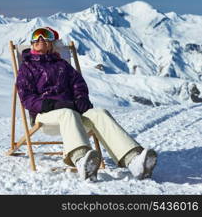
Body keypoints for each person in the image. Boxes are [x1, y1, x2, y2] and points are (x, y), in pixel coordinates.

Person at [16, 27, 157, 181]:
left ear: (52, 43)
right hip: (45, 116)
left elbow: (78, 84)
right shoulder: (27, 67)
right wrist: (50, 105)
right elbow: (26, 97)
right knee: (67, 113)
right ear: (31, 43)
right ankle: (82, 160)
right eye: (36, 36)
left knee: (99, 113)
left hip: (73, 112)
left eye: (45, 36)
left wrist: (81, 99)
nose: (40, 39)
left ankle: (133, 160)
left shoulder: (63, 65)